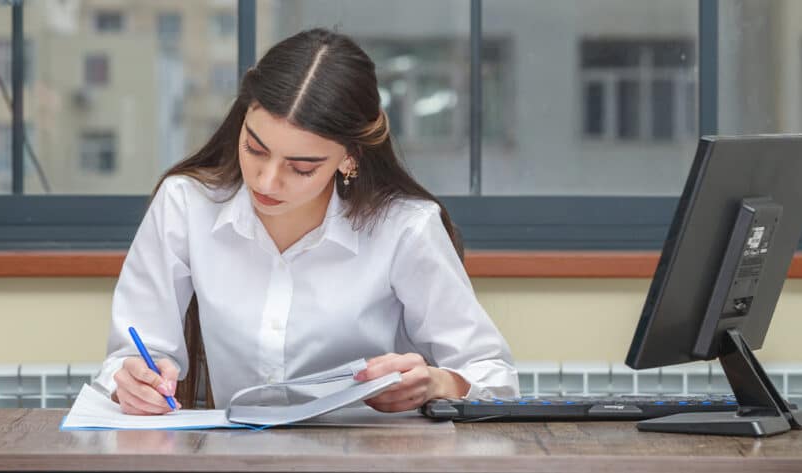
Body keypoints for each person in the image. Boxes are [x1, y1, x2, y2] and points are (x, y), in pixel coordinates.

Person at [95, 28, 519, 415]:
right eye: (255, 148)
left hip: (374, 460)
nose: (266, 180)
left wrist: (438, 382)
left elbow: (494, 377)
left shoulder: (404, 228)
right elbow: (134, 352)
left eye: (301, 167)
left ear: (349, 158)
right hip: (235, 456)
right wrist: (132, 381)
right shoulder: (186, 204)